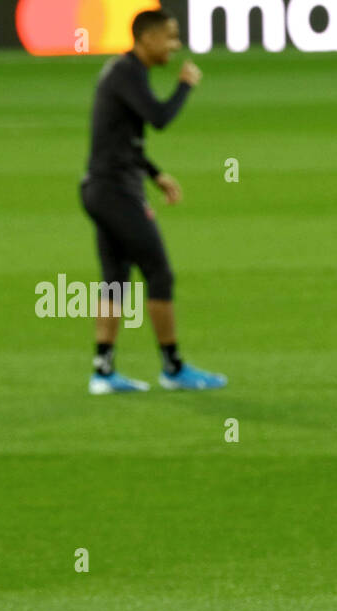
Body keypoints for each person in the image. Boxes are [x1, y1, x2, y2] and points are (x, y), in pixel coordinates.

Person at [80, 8, 226, 394]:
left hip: (101, 187)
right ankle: (173, 368)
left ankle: (103, 370)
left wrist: (154, 172)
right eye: (170, 37)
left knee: (115, 280)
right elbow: (159, 117)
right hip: (115, 191)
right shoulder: (127, 73)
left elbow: (117, 140)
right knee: (159, 273)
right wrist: (185, 85)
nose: (175, 45)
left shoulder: (123, 72)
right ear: (146, 39)